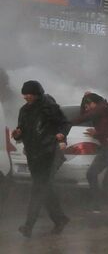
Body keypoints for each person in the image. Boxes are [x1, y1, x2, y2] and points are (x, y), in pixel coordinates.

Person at [11, 80, 71, 237]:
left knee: (37, 188)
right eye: (24, 94)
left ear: (37, 93)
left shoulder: (49, 107)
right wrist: (17, 134)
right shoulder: (24, 110)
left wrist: (61, 134)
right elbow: (21, 130)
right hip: (33, 154)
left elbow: (65, 123)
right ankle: (60, 219)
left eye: (29, 94)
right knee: (45, 188)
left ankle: (28, 225)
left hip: (49, 152)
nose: (26, 97)